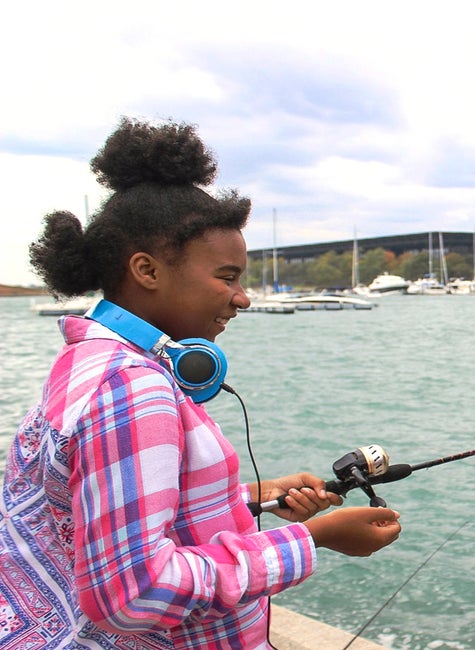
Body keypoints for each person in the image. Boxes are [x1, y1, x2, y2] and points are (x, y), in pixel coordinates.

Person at [0, 117, 401, 649]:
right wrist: (312, 538)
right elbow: (134, 592)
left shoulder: (88, 361)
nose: (243, 298)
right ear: (146, 270)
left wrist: (247, 499)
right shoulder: (131, 388)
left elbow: (94, 512)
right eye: (227, 277)